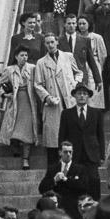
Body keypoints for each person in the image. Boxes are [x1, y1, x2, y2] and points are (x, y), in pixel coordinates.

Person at [34, 32, 82, 166]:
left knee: (72, 135)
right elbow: (37, 84)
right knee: (53, 140)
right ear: (44, 45)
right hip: (53, 104)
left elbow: (78, 72)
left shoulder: (68, 57)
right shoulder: (41, 63)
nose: (50, 45)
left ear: (57, 42)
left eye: (52, 42)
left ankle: (73, 168)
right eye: (47, 43)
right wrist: (47, 97)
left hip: (69, 100)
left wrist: (75, 83)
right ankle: (54, 172)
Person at [58, 83, 105, 201]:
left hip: (91, 153)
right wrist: (62, 152)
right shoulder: (67, 113)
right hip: (74, 153)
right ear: (74, 96)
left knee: (94, 180)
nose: (82, 96)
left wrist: (102, 155)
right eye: (79, 93)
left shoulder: (96, 113)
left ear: (88, 96)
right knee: (74, 180)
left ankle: (95, 205)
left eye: (85, 94)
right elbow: (62, 135)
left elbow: (101, 135)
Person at [0, 45, 38, 170]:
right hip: (15, 101)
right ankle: (15, 147)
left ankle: (26, 159)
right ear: (16, 57)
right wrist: (5, 94)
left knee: (27, 129)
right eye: (22, 55)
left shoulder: (33, 68)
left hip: (29, 100)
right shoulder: (9, 70)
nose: (24, 58)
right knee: (13, 127)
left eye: (26, 55)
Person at [38, 142, 90, 219]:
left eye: (70, 152)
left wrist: (67, 180)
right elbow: (42, 189)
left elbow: (85, 186)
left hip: (74, 210)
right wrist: (54, 180)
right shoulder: (53, 169)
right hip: (58, 210)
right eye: (65, 152)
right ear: (60, 153)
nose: (68, 154)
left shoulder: (80, 169)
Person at [57, 13, 102, 90]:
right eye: (69, 23)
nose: (71, 25)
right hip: (66, 76)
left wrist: (98, 80)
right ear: (64, 24)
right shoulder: (59, 41)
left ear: (76, 25)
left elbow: (91, 61)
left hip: (82, 77)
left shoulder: (85, 40)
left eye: (73, 23)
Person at [76, 14, 107, 108]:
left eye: (83, 23)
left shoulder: (96, 37)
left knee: (94, 88)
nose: (81, 26)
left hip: (94, 63)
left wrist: (99, 66)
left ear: (89, 24)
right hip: (81, 63)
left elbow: (103, 54)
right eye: (79, 24)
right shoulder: (76, 37)